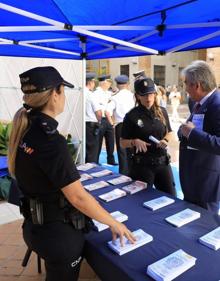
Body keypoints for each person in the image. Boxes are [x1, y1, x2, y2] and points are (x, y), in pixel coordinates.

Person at [7, 66, 135, 281]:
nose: (64, 96)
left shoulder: (27, 128)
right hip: (57, 236)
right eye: (63, 90)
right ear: (54, 94)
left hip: (35, 228)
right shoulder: (50, 140)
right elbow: (77, 197)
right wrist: (114, 223)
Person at [120, 77, 176, 196]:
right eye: (144, 95)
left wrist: (166, 139)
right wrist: (134, 142)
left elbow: (170, 132)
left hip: (163, 164)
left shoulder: (162, 111)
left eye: (151, 94)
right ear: (137, 96)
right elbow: (122, 142)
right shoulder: (131, 116)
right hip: (142, 166)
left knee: (171, 199)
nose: (148, 98)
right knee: (141, 201)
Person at [178, 60, 220, 214]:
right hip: (194, 179)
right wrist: (183, 131)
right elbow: (191, 126)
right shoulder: (198, 102)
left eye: (186, 83)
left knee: (204, 228)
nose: (185, 89)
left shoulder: (217, 103)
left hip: (205, 183)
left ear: (197, 85)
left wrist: (192, 133)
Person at [106, 75, 135, 175]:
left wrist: (112, 123)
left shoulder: (114, 97)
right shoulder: (133, 96)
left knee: (121, 150)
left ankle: (123, 173)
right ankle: (133, 172)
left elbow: (107, 112)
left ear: (117, 85)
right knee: (133, 148)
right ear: (127, 84)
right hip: (133, 125)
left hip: (120, 125)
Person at [94, 75, 117, 165]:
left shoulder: (109, 93)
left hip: (109, 119)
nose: (110, 84)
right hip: (100, 119)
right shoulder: (96, 93)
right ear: (104, 82)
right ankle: (95, 160)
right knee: (98, 142)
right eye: (109, 82)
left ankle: (111, 159)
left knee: (111, 141)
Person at [85, 72, 102, 163]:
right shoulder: (91, 95)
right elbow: (98, 112)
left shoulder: (79, 93)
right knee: (92, 152)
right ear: (90, 82)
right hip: (91, 125)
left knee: (84, 151)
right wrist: (99, 122)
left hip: (81, 125)